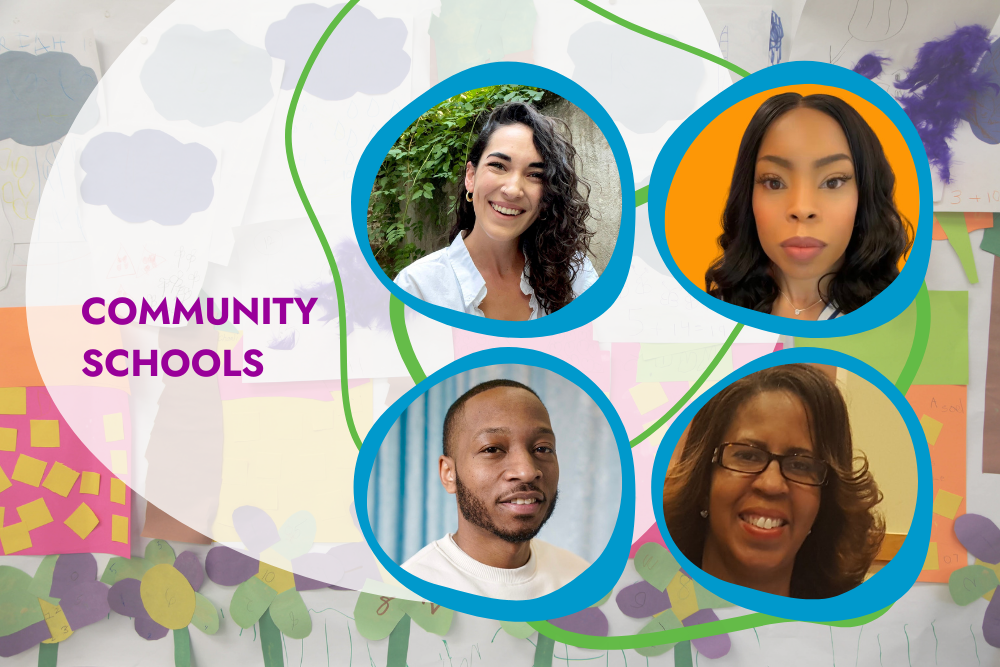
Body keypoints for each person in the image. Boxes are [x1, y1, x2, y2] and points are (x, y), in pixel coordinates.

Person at [662, 364, 884, 598]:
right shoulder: (631, 613)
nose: (771, 485)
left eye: (800, 465)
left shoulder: (856, 628)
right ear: (703, 483)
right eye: (747, 455)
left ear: (825, 501)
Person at [704, 92, 912, 320]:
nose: (802, 209)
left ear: (864, 195)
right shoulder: (709, 318)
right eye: (774, 182)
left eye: (832, 182)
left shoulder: (899, 315)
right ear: (748, 196)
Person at [394, 101, 598, 321]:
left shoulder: (574, 275)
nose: (512, 190)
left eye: (535, 175)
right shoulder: (417, 290)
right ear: (471, 177)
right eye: (499, 166)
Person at [402, 379, 589, 599]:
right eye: (492, 449)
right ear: (449, 473)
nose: (527, 471)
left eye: (542, 448)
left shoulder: (583, 581)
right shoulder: (407, 596)